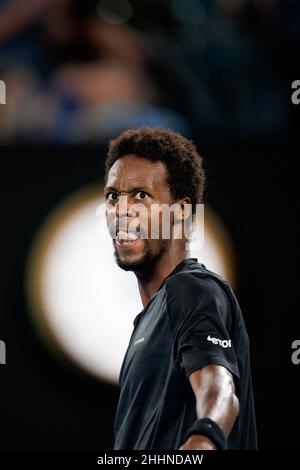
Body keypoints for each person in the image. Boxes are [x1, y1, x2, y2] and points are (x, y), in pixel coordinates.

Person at [104, 126, 257, 450]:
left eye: (141, 195)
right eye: (113, 196)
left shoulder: (191, 289)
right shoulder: (148, 320)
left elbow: (220, 391)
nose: (121, 209)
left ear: (181, 210)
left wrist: (204, 440)